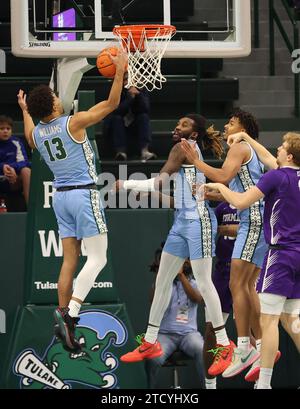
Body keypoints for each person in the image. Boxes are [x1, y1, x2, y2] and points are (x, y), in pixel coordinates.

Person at [17, 48, 127, 351]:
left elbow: (28, 132)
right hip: (83, 193)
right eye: (54, 97)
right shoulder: (73, 123)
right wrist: (120, 70)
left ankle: (63, 315)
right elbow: (114, 103)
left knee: (69, 260)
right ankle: (72, 314)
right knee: (99, 258)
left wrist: (25, 111)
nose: (58, 97)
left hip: (60, 199)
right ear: (53, 104)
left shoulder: (37, 135)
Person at [113, 113, 235, 376]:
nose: (176, 126)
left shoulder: (183, 148)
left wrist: (125, 183)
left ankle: (225, 345)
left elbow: (158, 181)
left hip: (199, 221)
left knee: (204, 281)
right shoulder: (187, 147)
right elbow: (170, 189)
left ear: (193, 134)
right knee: (162, 280)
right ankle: (150, 341)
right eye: (177, 122)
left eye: (184, 124)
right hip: (181, 219)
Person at [205, 131, 300, 389]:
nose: (277, 149)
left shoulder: (275, 176)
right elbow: (267, 156)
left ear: (289, 155)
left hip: (280, 254)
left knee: (268, 322)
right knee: (294, 320)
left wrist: (222, 187)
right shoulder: (289, 174)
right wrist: (246, 135)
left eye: (282, 146)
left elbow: (241, 201)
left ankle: (264, 384)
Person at [181, 109, 266, 377]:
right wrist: (210, 194)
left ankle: (245, 347)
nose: (227, 125)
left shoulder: (240, 146)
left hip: (252, 222)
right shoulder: (247, 151)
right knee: (247, 286)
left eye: (232, 122)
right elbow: (233, 189)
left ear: (243, 128)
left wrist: (196, 162)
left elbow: (223, 177)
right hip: (257, 220)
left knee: (237, 284)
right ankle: (261, 344)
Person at [145, 247, 205, 389]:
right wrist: (161, 274)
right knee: (152, 358)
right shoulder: (163, 283)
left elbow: (197, 298)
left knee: (202, 349)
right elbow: (153, 300)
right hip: (165, 335)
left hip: (188, 335)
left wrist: (181, 276)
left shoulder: (194, 282)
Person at [204, 202, 239, 389]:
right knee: (211, 330)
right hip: (222, 272)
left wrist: (237, 229)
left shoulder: (256, 202)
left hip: (247, 271)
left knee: (256, 328)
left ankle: (263, 381)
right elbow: (207, 227)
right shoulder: (222, 207)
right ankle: (210, 385)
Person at [103, 72, 156, 161]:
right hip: (117, 126)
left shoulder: (141, 90)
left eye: (130, 79)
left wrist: (138, 95)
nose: (128, 82)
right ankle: (121, 152)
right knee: (117, 118)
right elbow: (115, 111)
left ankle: (145, 151)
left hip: (134, 126)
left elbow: (145, 109)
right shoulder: (114, 90)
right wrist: (130, 99)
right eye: (125, 80)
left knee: (143, 117)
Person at [0, 115, 31, 206]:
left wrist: (12, 168)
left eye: (8, 128)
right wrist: (3, 167)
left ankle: (30, 208)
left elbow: (24, 161)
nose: (5, 131)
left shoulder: (16, 142)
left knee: (26, 171)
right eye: (2, 128)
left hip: (13, 179)